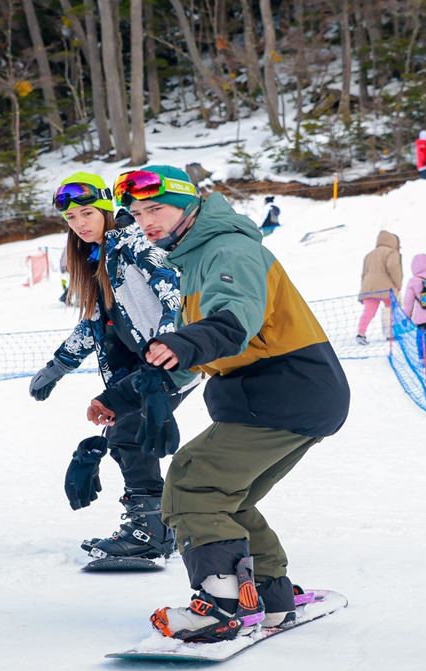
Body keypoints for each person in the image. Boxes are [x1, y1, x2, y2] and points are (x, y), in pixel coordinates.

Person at [94, 165, 351, 642]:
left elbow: (234, 319)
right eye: (138, 214)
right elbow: (193, 354)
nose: (146, 222)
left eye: (157, 209)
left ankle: (220, 606)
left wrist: (187, 341)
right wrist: (122, 397)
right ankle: (271, 599)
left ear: (189, 204)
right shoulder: (192, 260)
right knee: (229, 500)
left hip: (281, 390)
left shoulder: (228, 249)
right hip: (290, 393)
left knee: (193, 485)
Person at [28, 171, 186, 562]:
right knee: (124, 432)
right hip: (137, 366)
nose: (80, 224)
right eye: (71, 218)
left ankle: (150, 531)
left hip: (169, 358)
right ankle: (155, 525)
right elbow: (95, 322)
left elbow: (172, 290)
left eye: (87, 213)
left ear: (105, 210)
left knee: (129, 433)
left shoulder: (131, 242)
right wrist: (58, 365)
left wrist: (168, 347)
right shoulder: (98, 256)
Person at [355, 230, 403, 345]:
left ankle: (360, 334)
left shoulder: (369, 255)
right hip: (387, 288)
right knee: (390, 310)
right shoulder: (392, 252)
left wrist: (364, 290)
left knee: (369, 312)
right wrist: (398, 284)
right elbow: (393, 268)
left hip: (369, 288)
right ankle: (390, 334)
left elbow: (364, 274)